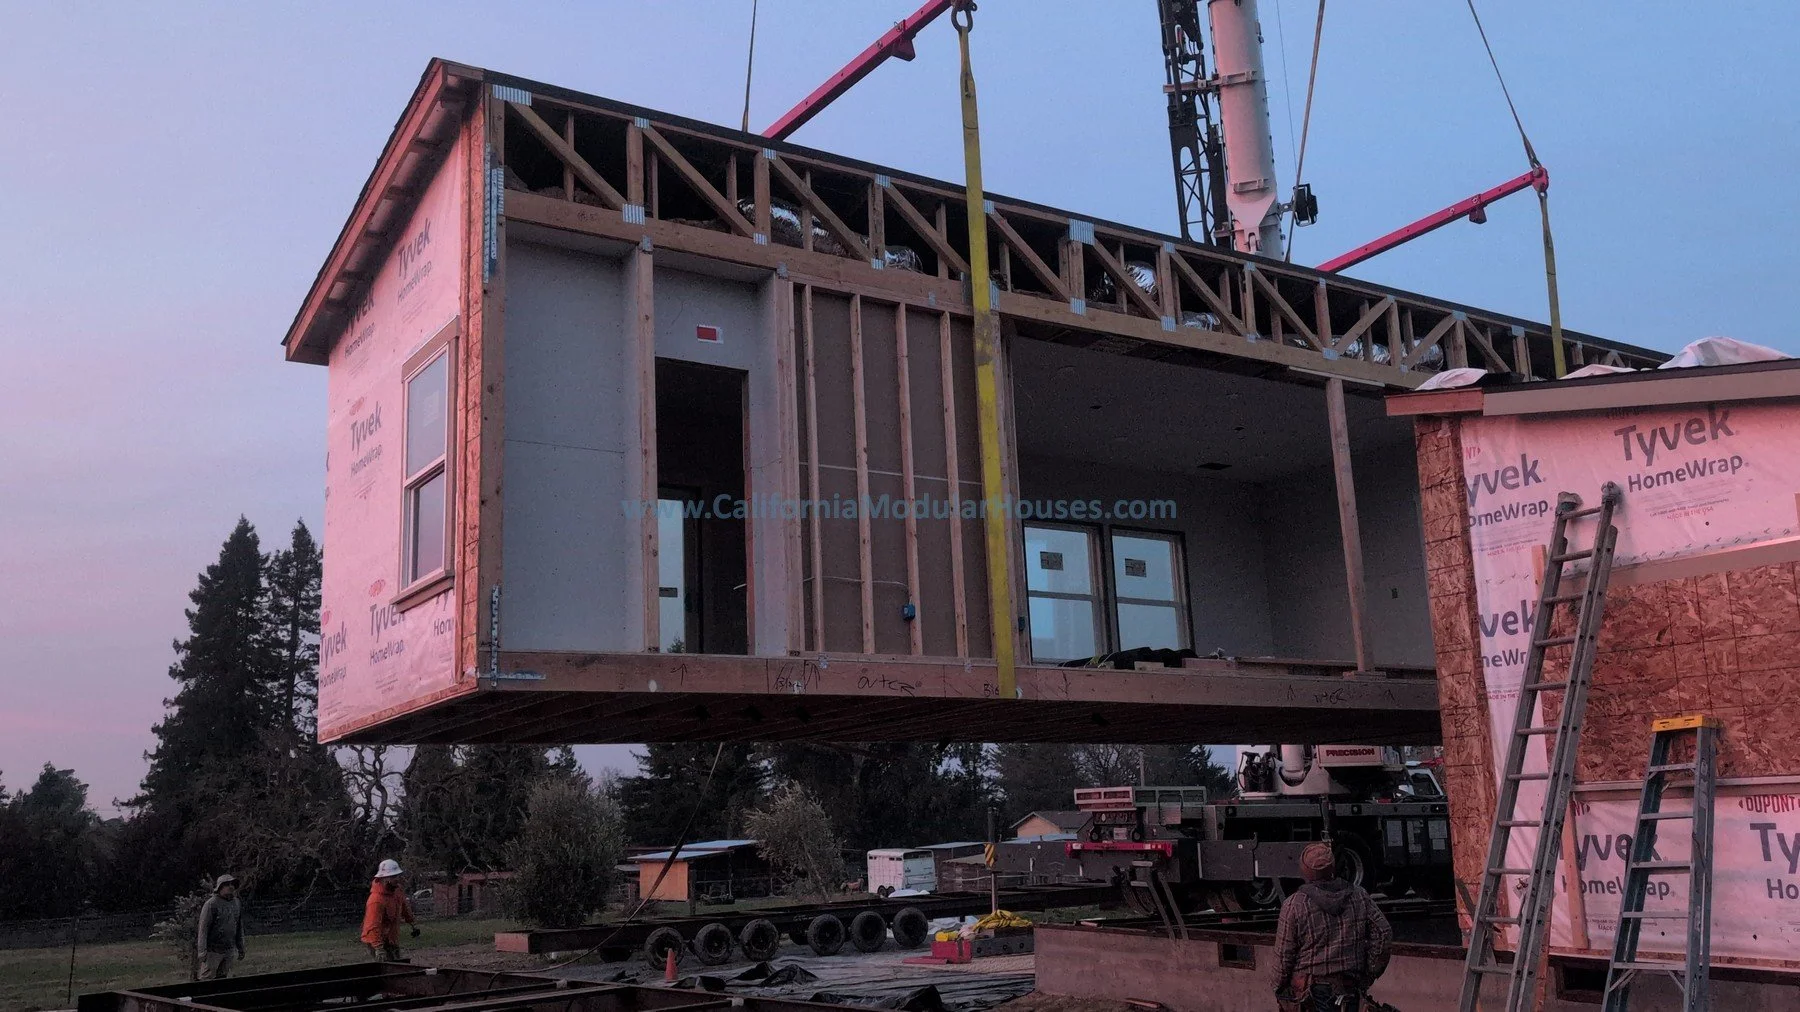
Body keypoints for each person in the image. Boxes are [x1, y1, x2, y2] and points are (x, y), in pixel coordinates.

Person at [1272, 842, 1392, 1011]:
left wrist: (1278, 986)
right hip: (1350, 987)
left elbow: (1284, 955)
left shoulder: (1294, 905)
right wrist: (1370, 972)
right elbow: (1383, 933)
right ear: (1333, 867)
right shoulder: (1359, 896)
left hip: (1309, 993)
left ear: (1305, 871)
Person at [361, 859, 420, 961]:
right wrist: (379, 948)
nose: (397, 879)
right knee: (388, 969)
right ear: (384, 878)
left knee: (397, 964)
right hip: (376, 939)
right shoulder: (376, 900)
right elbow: (373, 926)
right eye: (393, 876)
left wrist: (412, 923)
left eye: (397, 875)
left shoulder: (397, 891)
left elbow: (404, 907)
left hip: (391, 937)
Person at [195, 874, 246, 980]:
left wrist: (241, 947)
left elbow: (239, 927)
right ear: (220, 887)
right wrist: (202, 951)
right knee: (207, 978)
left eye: (232, 884)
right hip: (212, 951)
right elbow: (203, 929)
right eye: (227, 884)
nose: (230, 887)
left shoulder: (236, 903)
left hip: (229, 949)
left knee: (223, 978)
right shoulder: (211, 904)